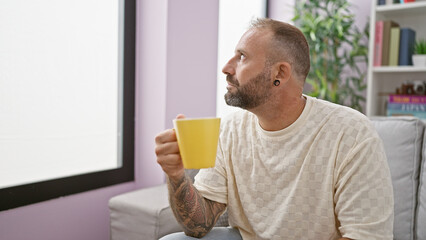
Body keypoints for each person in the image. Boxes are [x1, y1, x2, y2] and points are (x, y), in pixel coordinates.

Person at [155, 18, 394, 240]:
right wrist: (176, 175)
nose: (227, 68)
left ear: (279, 73)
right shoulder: (231, 130)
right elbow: (199, 224)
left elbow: (364, 235)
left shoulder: (351, 133)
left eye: (242, 57)